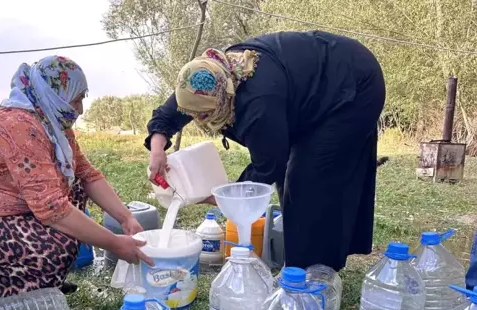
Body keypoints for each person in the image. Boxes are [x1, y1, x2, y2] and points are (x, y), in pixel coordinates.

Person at [0, 55, 153, 305]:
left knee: (72, 209)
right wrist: (115, 243)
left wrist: (126, 218)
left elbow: (87, 175)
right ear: (55, 92)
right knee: (52, 250)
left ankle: (18, 287)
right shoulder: (17, 124)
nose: (80, 109)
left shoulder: (54, 125)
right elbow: (53, 210)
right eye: (77, 98)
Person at [146, 30, 386, 271]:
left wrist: (222, 198)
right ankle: (299, 260)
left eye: (204, 114)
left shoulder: (257, 103)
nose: (197, 119)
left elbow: (269, 165)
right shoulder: (203, 78)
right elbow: (174, 111)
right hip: (312, 86)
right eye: (192, 114)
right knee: (292, 183)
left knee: (307, 178)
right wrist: (158, 147)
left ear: (224, 96)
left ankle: (310, 275)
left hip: (353, 86)